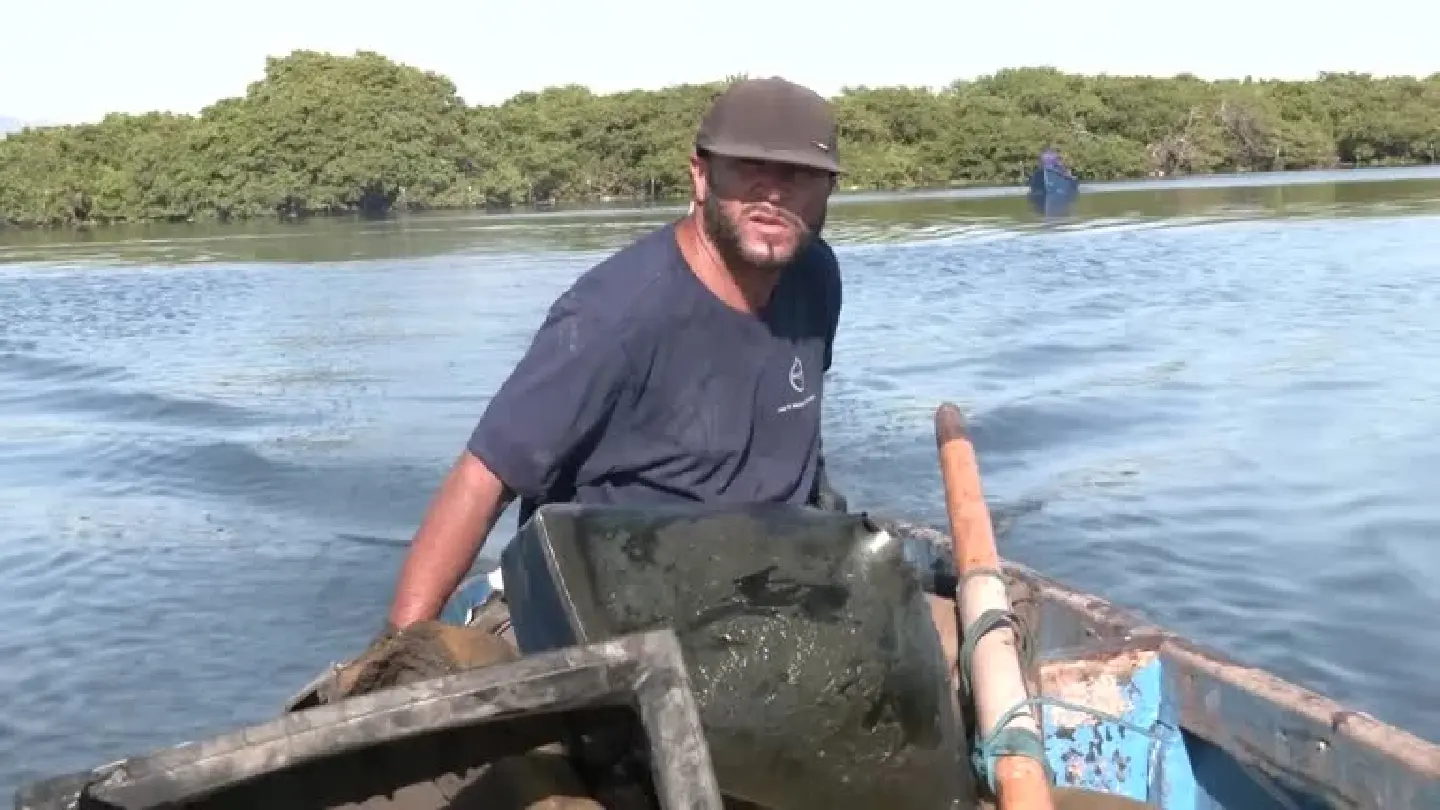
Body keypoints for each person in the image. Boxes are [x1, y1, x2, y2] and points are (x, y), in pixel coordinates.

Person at [375, 76, 961, 681]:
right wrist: (398, 654)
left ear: (829, 191)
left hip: (772, 580)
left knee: (960, 646)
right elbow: (482, 479)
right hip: (627, 605)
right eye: (749, 169)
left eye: (800, 176)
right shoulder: (615, 315)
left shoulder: (817, 277)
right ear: (701, 176)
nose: (775, 192)